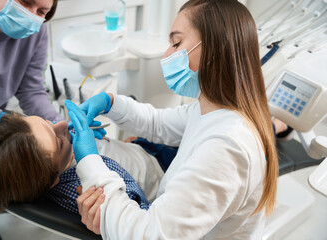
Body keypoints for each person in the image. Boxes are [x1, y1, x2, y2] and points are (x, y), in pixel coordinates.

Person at [67, 0, 279, 239]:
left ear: (215, 48)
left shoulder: (227, 146)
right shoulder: (211, 110)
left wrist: (89, 161)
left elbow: (150, 235)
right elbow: (157, 123)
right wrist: (110, 102)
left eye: (176, 43)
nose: (167, 54)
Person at [0, 113, 163, 213]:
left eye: (47, 122)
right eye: (58, 141)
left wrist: (124, 148)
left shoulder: (56, 156)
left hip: (142, 151)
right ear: (52, 180)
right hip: (161, 184)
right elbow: (140, 219)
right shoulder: (83, 195)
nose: (62, 124)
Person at [0, 0, 63, 131]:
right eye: (25, 2)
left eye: (41, 12)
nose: (30, 16)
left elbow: (31, 91)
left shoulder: (37, 33)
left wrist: (58, 124)